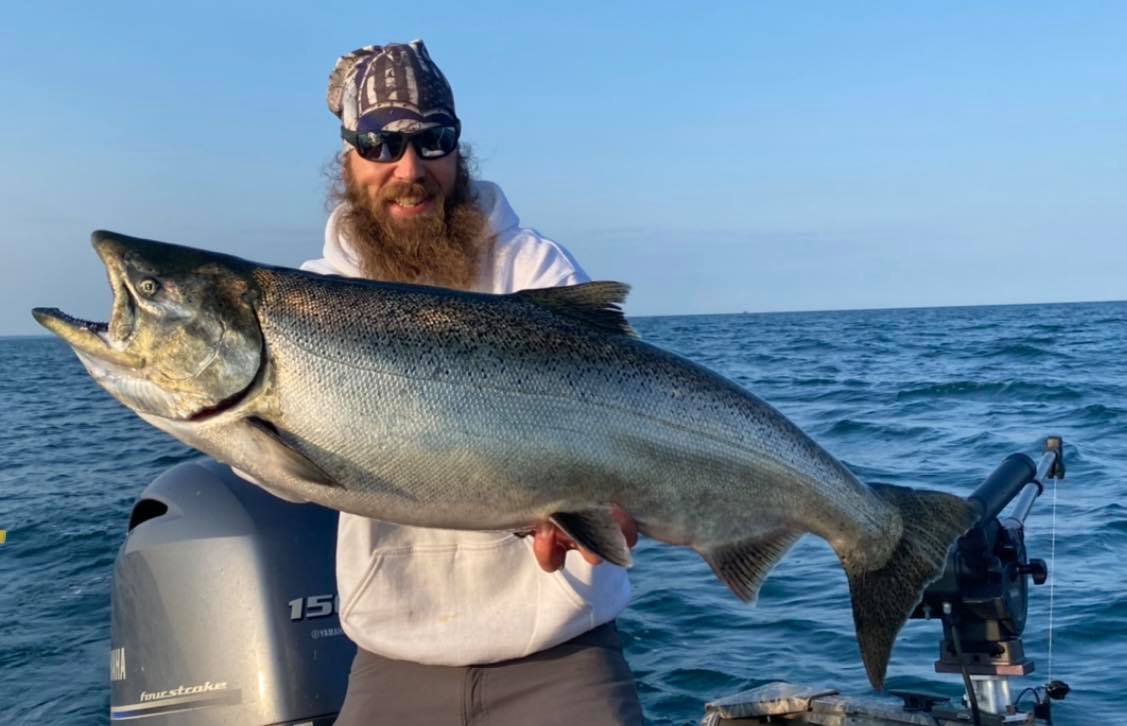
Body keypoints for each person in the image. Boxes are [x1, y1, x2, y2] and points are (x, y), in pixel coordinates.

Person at [307, 41, 644, 725]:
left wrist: (615, 501)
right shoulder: (312, 302)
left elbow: (613, 415)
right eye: (381, 144)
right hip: (393, 660)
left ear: (459, 153)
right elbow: (267, 465)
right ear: (347, 158)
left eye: (433, 140)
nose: (409, 168)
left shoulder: (533, 265)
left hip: (562, 653)